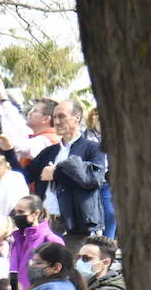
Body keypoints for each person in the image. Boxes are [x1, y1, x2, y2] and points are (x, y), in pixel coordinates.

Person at [25, 99, 107, 236]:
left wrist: (56, 173)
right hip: (45, 225)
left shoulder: (92, 149)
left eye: (62, 116)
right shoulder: (49, 152)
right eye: (55, 117)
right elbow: (24, 176)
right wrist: (8, 151)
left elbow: (94, 179)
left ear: (77, 117)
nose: (56, 122)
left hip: (77, 228)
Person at [4, 195, 64, 290]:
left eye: (21, 212)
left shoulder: (51, 240)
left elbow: (59, 275)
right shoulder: (17, 238)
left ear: (36, 214)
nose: (16, 216)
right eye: (15, 212)